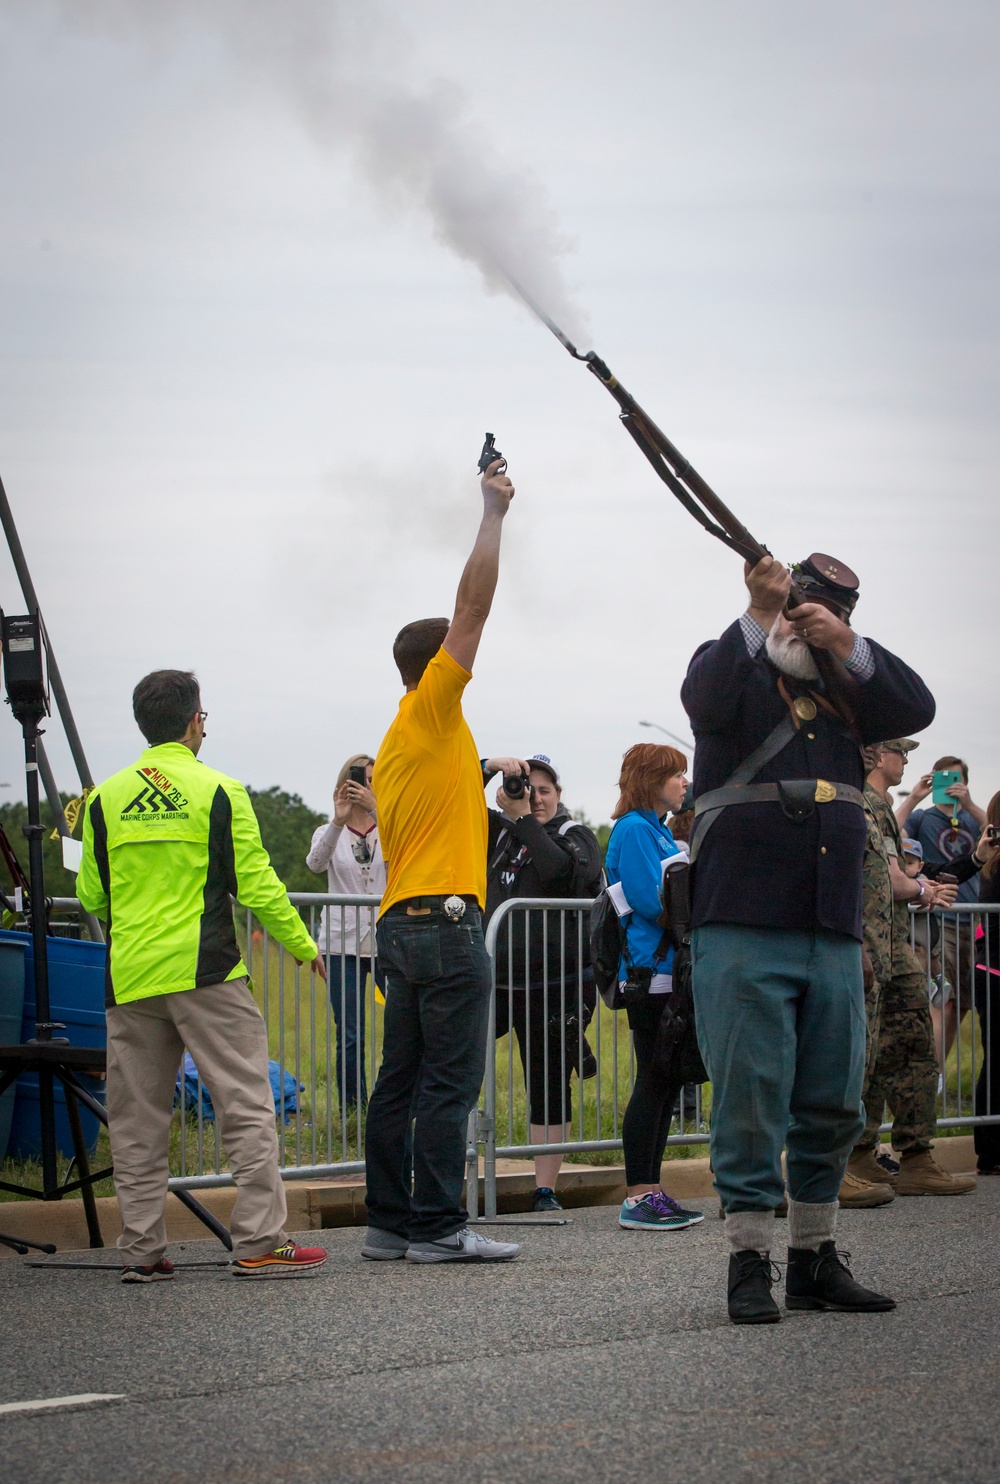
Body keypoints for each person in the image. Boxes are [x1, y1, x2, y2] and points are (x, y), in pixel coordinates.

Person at [681, 552, 936, 1325]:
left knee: (832, 1102)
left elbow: (914, 705)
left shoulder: (849, 697)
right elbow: (705, 697)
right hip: (742, 919)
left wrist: (846, 644)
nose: (808, 624)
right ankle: (749, 1259)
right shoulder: (735, 669)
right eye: (804, 609)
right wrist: (762, 613)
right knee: (752, 1100)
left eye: (826, 614)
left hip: (831, 923)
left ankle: (815, 1258)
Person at [78, 670, 328, 1281]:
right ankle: (260, 1241)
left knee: (136, 1123)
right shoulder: (220, 790)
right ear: (195, 722)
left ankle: (141, 1251)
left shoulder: (103, 798)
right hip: (208, 971)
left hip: (131, 975)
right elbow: (257, 883)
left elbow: (90, 893)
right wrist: (301, 944)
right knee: (245, 1105)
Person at [361, 456, 521, 1265]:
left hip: (401, 925)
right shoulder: (433, 704)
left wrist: (496, 770)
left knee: (402, 1079)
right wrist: (492, 514)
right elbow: (473, 607)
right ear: (437, 671)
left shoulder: (407, 738)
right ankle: (440, 1228)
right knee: (447, 1084)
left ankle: (390, 1223)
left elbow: (456, 784)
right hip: (444, 925)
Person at [845, 740, 975, 1198]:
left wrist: (918, 888)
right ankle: (856, 1153)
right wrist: (922, 891)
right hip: (867, 944)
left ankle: (915, 1154)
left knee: (912, 1044)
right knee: (863, 1054)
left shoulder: (879, 807)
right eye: (900, 753)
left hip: (893, 943)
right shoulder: (859, 801)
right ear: (878, 755)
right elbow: (886, 878)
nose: (905, 761)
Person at [485, 752, 603, 1211]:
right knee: (454, 1069)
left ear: (559, 795)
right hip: (497, 980)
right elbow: (454, 789)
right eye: (524, 788)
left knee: (548, 1083)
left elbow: (560, 873)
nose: (533, 798)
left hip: (555, 984)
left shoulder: (577, 835)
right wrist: (491, 765)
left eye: (543, 790)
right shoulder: (498, 834)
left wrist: (524, 822)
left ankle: (545, 1190)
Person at [604, 743, 705, 1234]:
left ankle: (651, 1191)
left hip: (667, 970)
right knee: (653, 1081)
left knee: (663, 1082)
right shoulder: (635, 829)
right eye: (677, 775)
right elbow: (651, 901)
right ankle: (638, 1195)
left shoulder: (656, 829)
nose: (684, 783)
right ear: (652, 778)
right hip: (650, 973)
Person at [305, 753, 386, 1115]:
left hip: (388, 940)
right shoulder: (327, 831)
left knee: (402, 1029)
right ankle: (353, 1110)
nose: (366, 785)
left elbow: (407, 851)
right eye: (360, 778)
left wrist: (379, 810)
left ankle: (390, 1108)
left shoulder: (391, 825)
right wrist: (338, 820)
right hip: (341, 943)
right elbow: (315, 864)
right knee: (350, 1032)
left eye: (373, 779)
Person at [897, 756, 988, 1066]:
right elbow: (892, 833)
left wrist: (970, 803)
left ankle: (937, 1074)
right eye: (942, 778)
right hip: (938, 919)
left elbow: (995, 833)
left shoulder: (975, 820)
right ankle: (930, 1074)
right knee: (942, 1001)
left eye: (955, 779)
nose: (949, 785)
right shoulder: (923, 817)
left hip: (973, 920)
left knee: (962, 1005)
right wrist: (914, 796)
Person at [971, 793, 1000, 1175]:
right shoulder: (993, 863)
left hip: (988, 969)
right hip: (994, 972)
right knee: (995, 1061)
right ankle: (990, 1151)